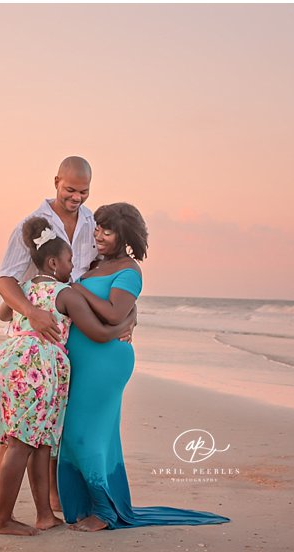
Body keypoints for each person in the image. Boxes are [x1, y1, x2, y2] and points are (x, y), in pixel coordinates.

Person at [57, 202, 231, 531]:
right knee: (78, 435)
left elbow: (113, 313)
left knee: (87, 435)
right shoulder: (94, 264)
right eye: (97, 229)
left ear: (124, 237)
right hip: (81, 361)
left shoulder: (130, 270)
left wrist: (78, 290)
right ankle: (86, 506)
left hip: (106, 363)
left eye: (107, 232)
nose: (99, 236)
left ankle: (105, 513)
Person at [0, 217, 134, 536]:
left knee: (41, 443)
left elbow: (3, 312)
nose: (73, 267)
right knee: (22, 442)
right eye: (69, 260)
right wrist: (126, 324)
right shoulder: (65, 294)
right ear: (54, 263)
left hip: (12, 363)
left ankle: (44, 515)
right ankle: (1, 519)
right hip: (38, 370)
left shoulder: (23, 290)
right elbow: (96, 331)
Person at [0, 156, 135, 512]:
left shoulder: (93, 223)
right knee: (22, 425)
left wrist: (128, 313)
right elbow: (5, 280)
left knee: (58, 416)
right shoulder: (31, 225)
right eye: (70, 189)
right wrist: (31, 312)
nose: (76, 197)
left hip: (72, 332)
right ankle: (11, 507)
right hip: (38, 332)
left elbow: (104, 277)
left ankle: (54, 500)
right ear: (56, 181)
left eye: (83, 191)